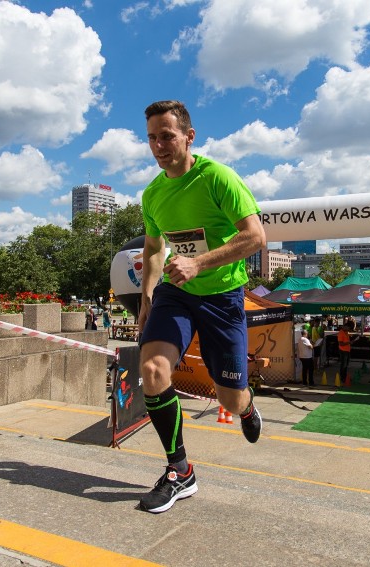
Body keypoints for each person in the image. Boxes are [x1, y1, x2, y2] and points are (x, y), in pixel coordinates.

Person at [137, 100, 266, 513]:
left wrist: (198, 262)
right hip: (176, 292)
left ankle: (246, 406)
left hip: (223, 297)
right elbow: (155, 247)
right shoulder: (153, 194)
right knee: (153, 370)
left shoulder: (218, 178)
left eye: (167, 135)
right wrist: (146, 298)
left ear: (189, 137)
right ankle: (180, 470)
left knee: (229, 398)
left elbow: (255, 237)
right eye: (152, 137)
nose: (159, 145)